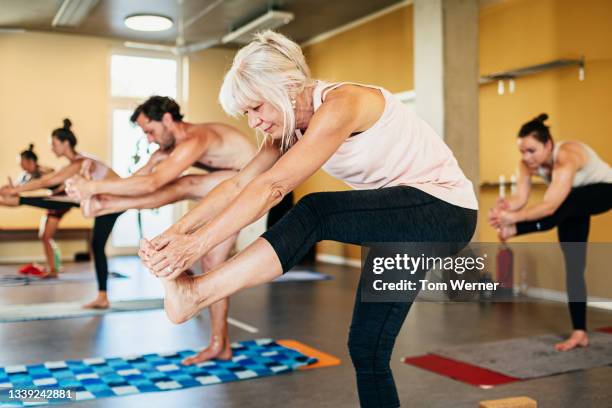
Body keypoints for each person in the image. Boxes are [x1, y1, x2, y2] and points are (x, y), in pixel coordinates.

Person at [139, 30, 478, 407]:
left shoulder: (342, 103)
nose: (254, 122)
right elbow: (238, 185)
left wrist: (197, 247)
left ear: (286, 87)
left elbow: (273, 187)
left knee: (317, 211)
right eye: (246, 113)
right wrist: (174, 235)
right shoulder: (287, 128)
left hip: (443, 211)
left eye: (257, 108)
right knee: (367, 350)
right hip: (398, 223)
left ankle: (198, 293)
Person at [65, 96, 288, 364]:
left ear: (168, 120)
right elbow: (143, 179)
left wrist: (94, 189)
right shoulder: (171, 147)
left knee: (185, 184)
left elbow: (155, 184)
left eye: (150, 131)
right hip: (230, 186)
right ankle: (220, 344)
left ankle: (104, 205)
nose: (148, 139)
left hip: (254, 183)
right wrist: (109, 186)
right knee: (212, 262)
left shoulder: (196, 138)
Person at [489, 113, 612, 352]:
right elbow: (521, 199)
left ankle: (514, 230)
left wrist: (512, 221)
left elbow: (550, 206)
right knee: (574, 266)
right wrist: (504, 209)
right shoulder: (526, 163)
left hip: (605, 191)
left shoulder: (566, 156)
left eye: (531, 151)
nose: (526, 157)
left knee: (561, 205)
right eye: (522, 151)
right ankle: (580, 332)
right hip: (571, 205)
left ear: (548, 144)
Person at [0, 119, 123, 308]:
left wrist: (14, 192)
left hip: (114, 202)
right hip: (103, 203)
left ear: (66, 143)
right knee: (97, 245)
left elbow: (47, 182)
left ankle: (102, 297)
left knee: (97, 245)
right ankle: (102, 296)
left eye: (54, 144)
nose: (51, 149)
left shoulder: (79, 162)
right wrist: (16, 192)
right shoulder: (76, 163)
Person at [1, 144, 60, 276]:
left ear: (30, 161)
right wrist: (8, 190)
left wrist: (12, 191)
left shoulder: (45, 171)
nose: (20, 166)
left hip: (61, 201)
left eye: (22, 162)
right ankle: (53, 268)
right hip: (51, 202)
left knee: (46, 236)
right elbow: (15, 193)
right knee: (44, 236)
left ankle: (54, 269)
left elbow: (36, 186)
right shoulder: (25, 176)